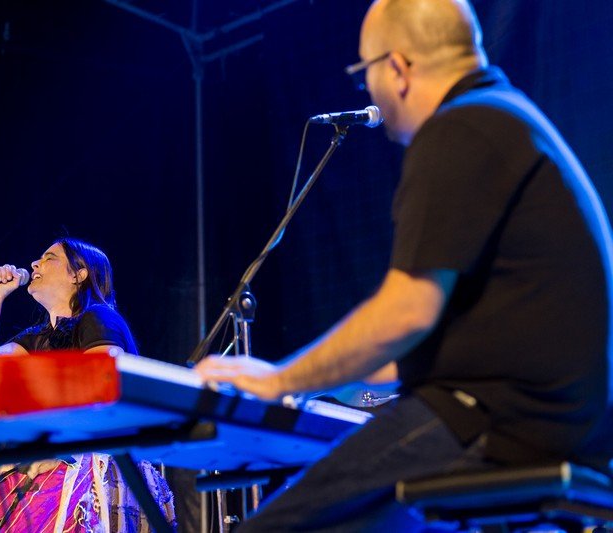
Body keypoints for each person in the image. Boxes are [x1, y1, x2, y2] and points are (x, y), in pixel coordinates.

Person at [195, 0, 613, 530]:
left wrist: (277, 381)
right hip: (562, 422)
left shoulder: (459, 129)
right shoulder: (504, 119)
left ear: (396, 67)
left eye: (363, 74)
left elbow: (406, 315)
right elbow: (416, 346)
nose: (367, 91)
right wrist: (309, 383)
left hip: (494, 419)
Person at [0, 237, 176, 532]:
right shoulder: (37, 337)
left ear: (79, 274)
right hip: (53, 462)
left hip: (96, 464)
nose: (35, 263)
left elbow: (100, 386)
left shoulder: (98, 318)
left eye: (49, 258)